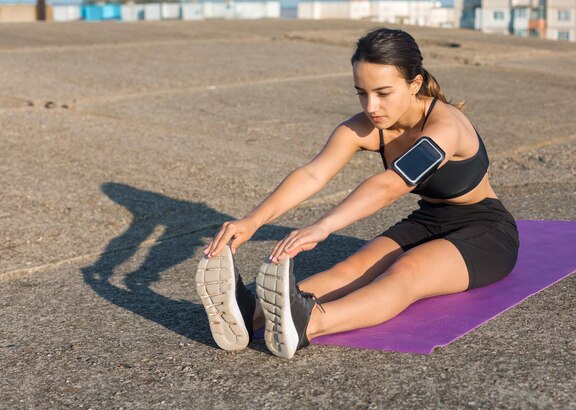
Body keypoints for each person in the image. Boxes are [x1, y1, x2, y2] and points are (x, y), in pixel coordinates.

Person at [195, 28, 519, 359]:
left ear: (415, 84)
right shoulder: (367, 127)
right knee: (349, 271)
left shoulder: (446, 127)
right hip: (428, 220)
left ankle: (308, 322)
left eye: (382, 92)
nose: (371, 106)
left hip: (487, 231)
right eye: (361, 93)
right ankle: (250, 314)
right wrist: (251, 221)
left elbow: (391, 184)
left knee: (407, 271)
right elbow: (312, 174)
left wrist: (322, 227)